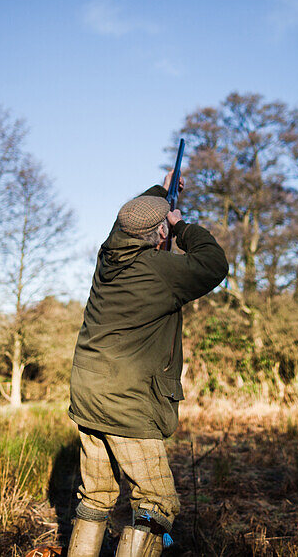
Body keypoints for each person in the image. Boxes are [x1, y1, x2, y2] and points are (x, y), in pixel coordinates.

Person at [66, 169, 228, 557]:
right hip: (128, 403)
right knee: (155, 504)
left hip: (88, 395)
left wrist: (164, 191)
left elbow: (129, 219)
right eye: (164, 231)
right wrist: (182, 225)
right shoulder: (160, 272)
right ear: (160, 235)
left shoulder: (108, 255)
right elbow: (213, 263)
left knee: (98, 494)